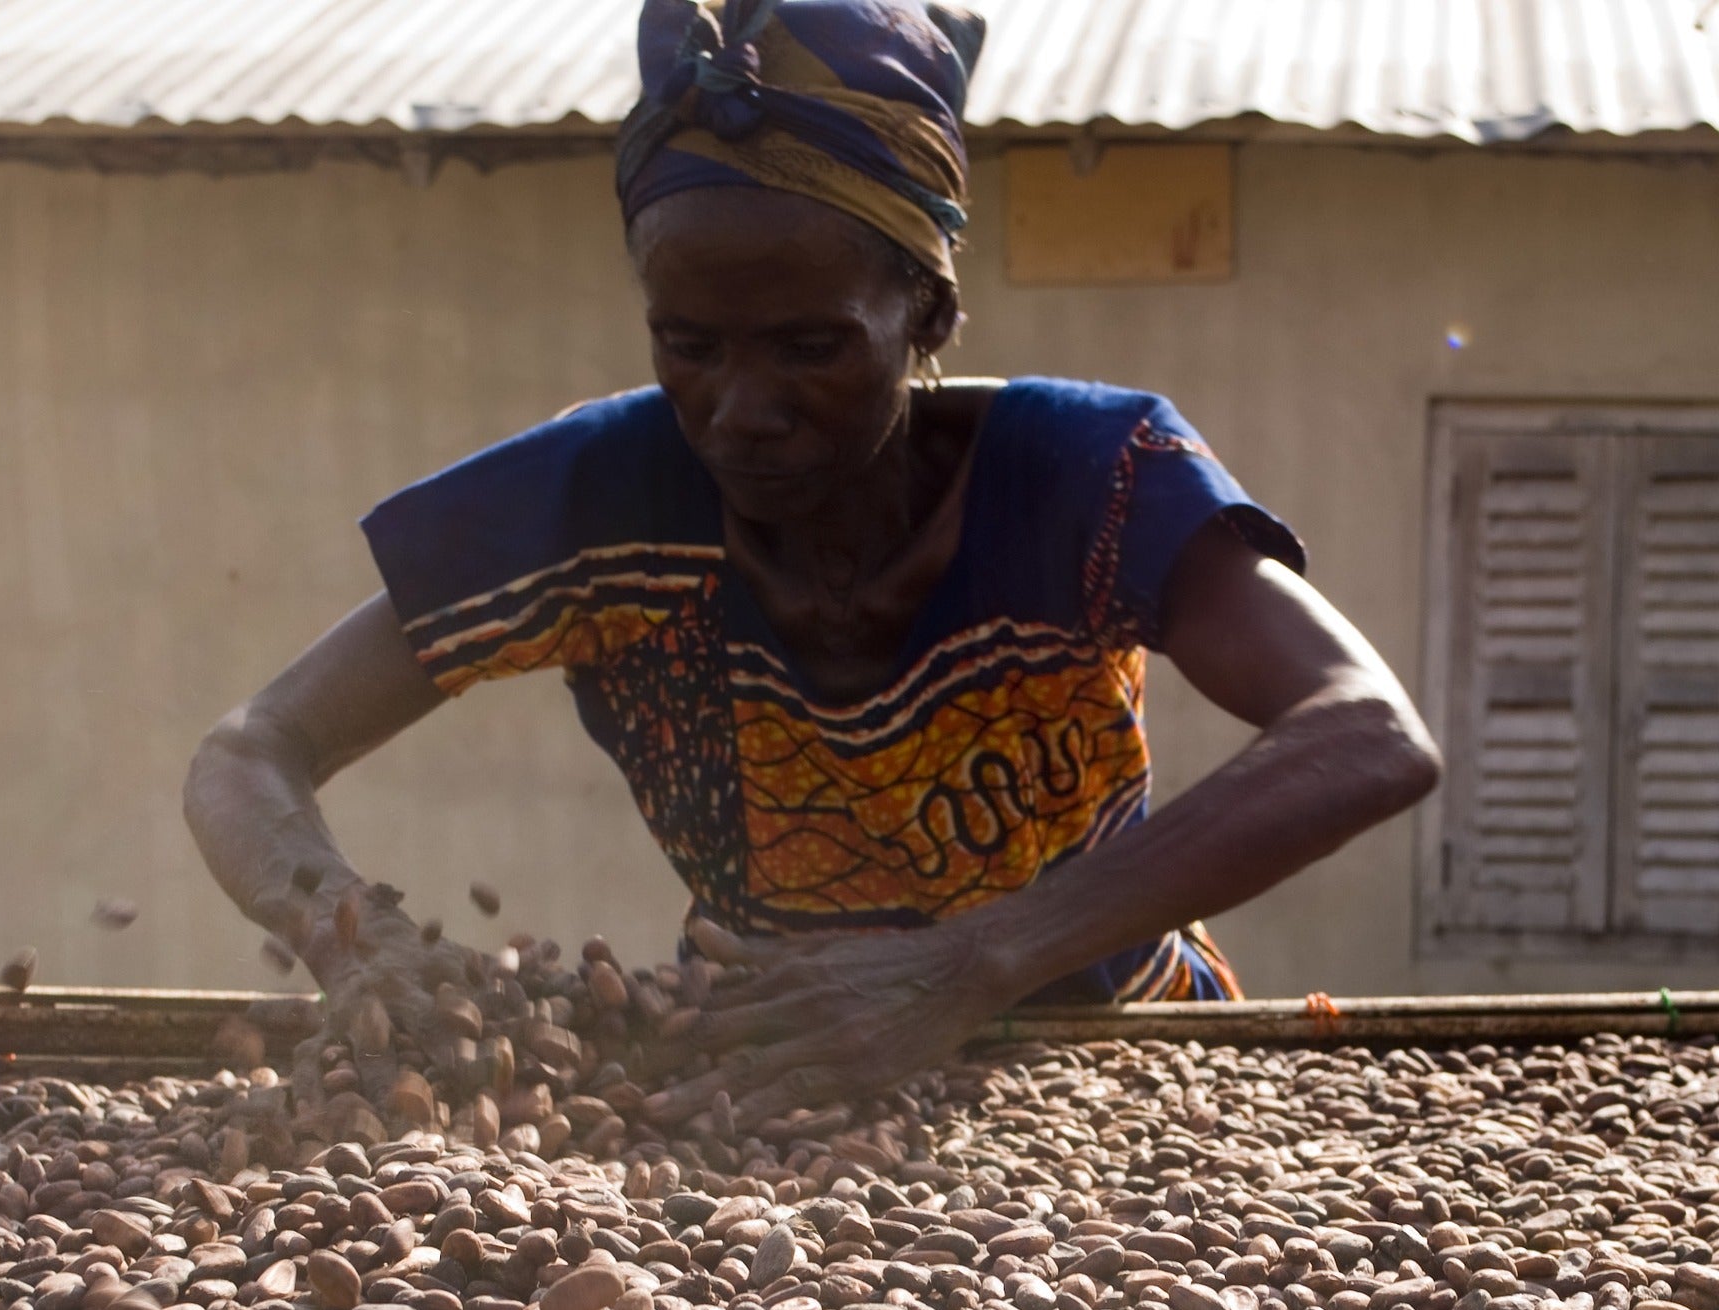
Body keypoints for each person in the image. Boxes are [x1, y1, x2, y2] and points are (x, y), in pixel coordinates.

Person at [184, 0, 1440, 1131]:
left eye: (809, 349)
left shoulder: (1077, 474)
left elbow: (1367, 732)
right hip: (776, 1078)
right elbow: (251, 751)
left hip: (1122, 1057)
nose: (741, 408)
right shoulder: (602, 501)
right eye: (689, 345)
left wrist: (975, 963)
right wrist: (350, 935)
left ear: (928, 318)